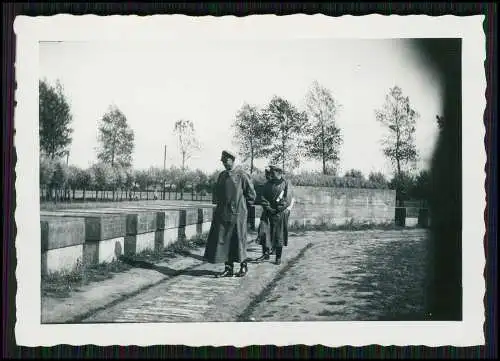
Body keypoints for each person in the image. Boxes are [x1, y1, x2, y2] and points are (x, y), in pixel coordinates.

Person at [203, 150, 257, 277]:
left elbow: (251, 195)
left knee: (239, 240)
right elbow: (218, 193)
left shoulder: (242, 175)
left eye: (226, 161)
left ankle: (244, 266)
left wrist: (243, 209)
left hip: (238, 215)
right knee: (224, 241)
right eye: (222, 161)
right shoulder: (222, 175)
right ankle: (228, 268)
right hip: (224, 214)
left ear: (232, 160)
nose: (224, 163)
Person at [258, 165, 292, 265]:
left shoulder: (286, 184)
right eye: (271, 172)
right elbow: (263, 197)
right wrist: (268, 208)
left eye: (273, 172)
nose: (271, 174)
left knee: (278, 235)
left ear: (279, 173)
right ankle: (265, 254)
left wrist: (278, 209)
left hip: (279, 214)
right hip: (268, 213)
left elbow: (287, 199)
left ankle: (278, 257)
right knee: (264, 232)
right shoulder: (268, 184)